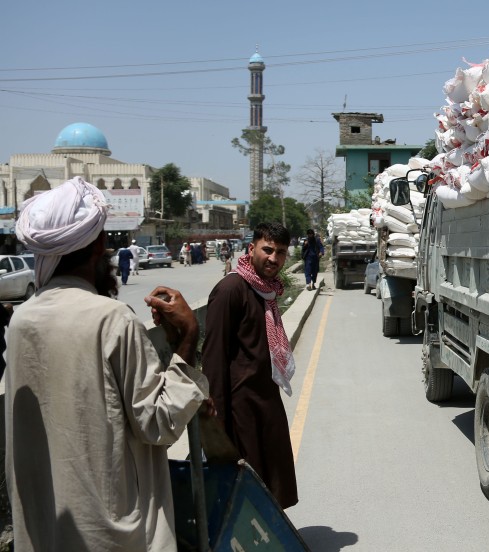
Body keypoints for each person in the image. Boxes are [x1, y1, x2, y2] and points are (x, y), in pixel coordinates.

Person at [6, 176, 209, 551]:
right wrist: (187, 339)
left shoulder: (22, 320)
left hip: (44, 531)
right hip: (109, 534)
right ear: (100, 243)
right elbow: (158, 424)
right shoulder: (112, 319)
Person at [203, 221, 298, 508]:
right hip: (239, 406)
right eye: (267, 250)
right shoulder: (232, 289)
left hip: (265, 400)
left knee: (272, 480)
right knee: (246, 486)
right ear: (251, 248)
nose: (273, 258)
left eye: (280, 252)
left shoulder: (267, 290)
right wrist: (217, 421)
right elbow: (214, 357)